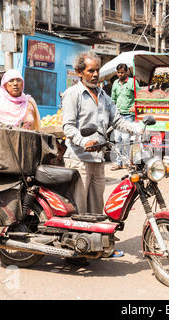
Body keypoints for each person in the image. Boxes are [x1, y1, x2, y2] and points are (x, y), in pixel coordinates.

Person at [61, 51, 141, 216]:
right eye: (91, 71)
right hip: (78, 159)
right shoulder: (72, 94)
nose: (96, 74)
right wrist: (84, 142)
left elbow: (117, 121)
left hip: (98, 160)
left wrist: (137, 128)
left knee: (97, 209)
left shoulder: (104, 96)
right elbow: (68, 127)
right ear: (79, 72)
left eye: (97, 70)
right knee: (79, 209)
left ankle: (94, 240)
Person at [110, 63, 140, 170]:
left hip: (129, 115)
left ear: (126, 72)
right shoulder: (115, 83)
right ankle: (119, 163)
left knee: (126, 139)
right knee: (117, 139)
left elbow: (139, 96)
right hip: (117, 115)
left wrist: (134, 106)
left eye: (122, 72)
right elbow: (113, 99)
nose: (120, 74)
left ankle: (127, 163)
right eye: (118, 73)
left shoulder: (132, 82)